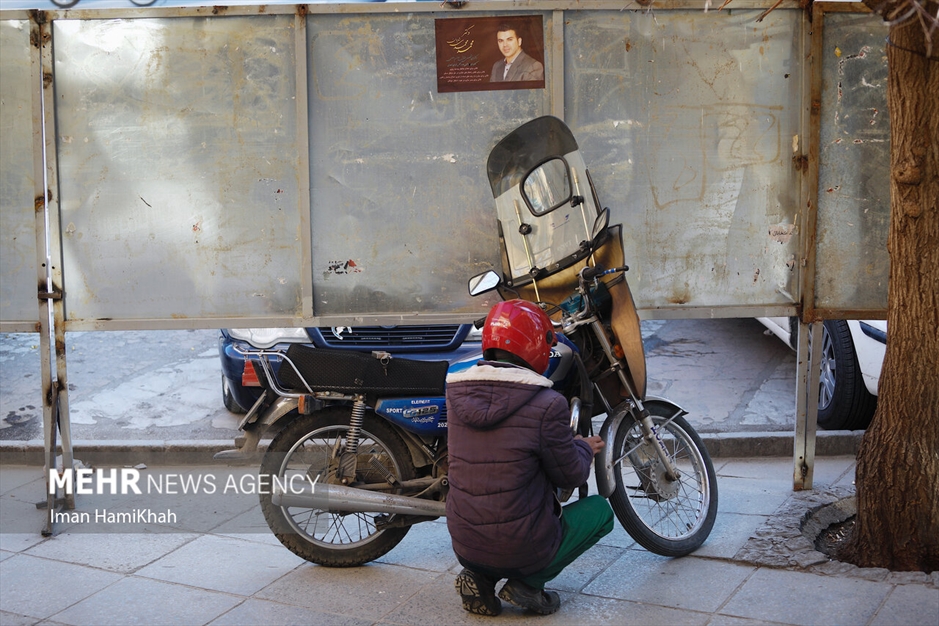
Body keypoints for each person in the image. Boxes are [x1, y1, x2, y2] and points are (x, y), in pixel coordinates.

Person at [445, 299, 614, 616]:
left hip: (464, 542)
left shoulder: (457, 394)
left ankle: (477, 576)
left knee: (497, 516)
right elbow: (571, 476)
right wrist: (581, 447)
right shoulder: (547, 403)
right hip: (521, 546)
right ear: (537, 345)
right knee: (599, 511)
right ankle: (528, 585)